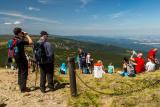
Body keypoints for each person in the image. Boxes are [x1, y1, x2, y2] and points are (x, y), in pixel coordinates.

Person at [13, 27, 33, 92]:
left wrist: (23, 36)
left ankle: (20, 84)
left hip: (16, 57)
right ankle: (23, 88)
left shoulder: (14, 39)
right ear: (19, 33)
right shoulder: (20, 40)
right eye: (21, 32)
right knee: (24, 72)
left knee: (20, 70)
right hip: (22, 58)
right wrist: (27, 35)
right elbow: (30, 42)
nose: (22, 33)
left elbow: (21, 41)